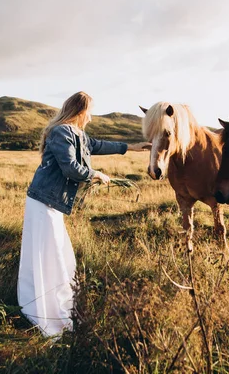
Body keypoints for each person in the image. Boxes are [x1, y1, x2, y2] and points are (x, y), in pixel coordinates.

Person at [17, 91, 150, 337]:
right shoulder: (61, 132)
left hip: (53, 204)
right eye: (89, 112)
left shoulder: (78, 134)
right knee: (50, 254)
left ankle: (56, 302)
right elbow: (70, 168)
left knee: (57, 254)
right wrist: (96, 174)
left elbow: (99, 145)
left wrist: (133, 147)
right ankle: (46, 310)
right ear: (80, 110)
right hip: (43, 202)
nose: (90, 117)